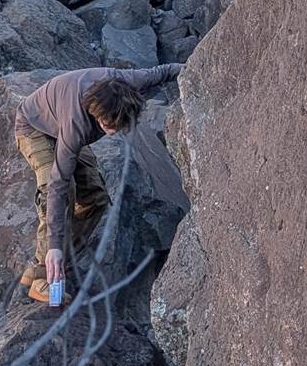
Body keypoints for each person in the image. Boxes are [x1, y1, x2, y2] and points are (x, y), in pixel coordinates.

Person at [14, 62, 182, 305]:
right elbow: (58, 184)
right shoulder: (76, 125)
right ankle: (43, 272)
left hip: (59, 123)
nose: (112, 132)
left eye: (116, 126)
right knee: (65, 191)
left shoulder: (127, 82)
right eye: (106, 125)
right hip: (34, 127)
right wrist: (53, 246)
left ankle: (62, 263)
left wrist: (199, 64)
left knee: (95, 198)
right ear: (95, 113)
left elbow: (165, 72)